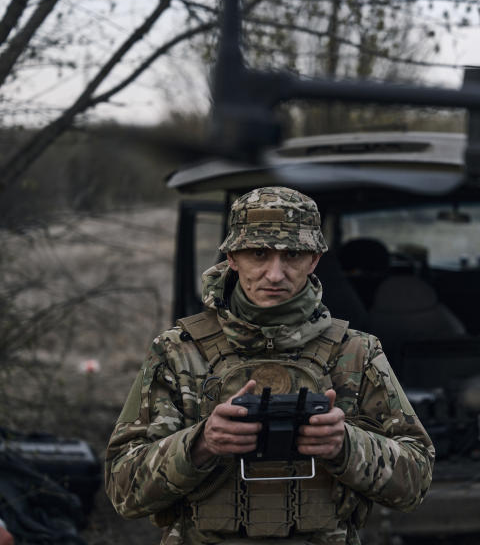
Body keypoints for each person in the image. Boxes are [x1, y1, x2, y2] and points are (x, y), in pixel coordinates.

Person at [104, 186, 434, 544]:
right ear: (232, 256)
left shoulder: (356, 353)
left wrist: (347, 446)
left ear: (314, 260)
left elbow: (416, 481)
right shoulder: (177, 352)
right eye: (259, 253)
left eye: (292, 254)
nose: (275, 274)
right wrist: (200, 444)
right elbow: (123, 490)